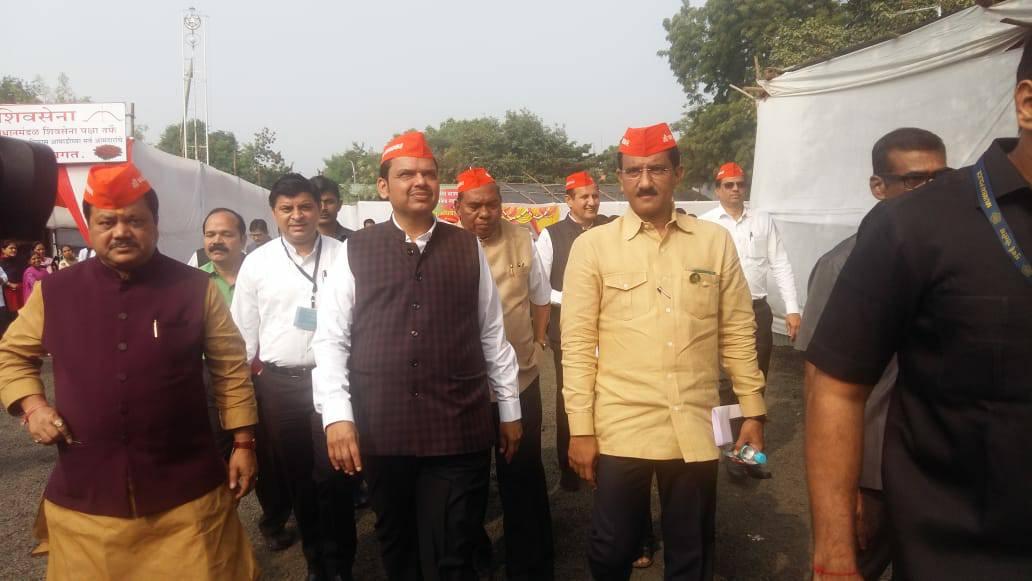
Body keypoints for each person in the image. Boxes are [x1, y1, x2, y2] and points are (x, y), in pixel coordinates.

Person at [805, 41, 1032, 580]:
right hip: (960, 554)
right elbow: (834, 384)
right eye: (911, 178)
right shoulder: (914, 227)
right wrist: (834, 556)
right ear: (1027, 103)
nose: (924, 184)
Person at [0, 162, 259, 580]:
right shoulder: (54, 292)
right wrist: (33, 406)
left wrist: (244, 442)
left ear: (155, 224)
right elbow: (11, 354)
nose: (121, 231)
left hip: (187, 496)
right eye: (107, 222)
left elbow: (230, 369)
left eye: (135, 221)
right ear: (89, 227)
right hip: (87, 502)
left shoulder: (195, 288)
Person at [312, 131, 523, 580]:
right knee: (398, 542)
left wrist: (509, 408)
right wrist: (337, 416)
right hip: (382, 426)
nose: (419, 181)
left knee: (453, 547)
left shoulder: (467, 247)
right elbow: (331, 339)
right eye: (406, 174)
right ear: (383, 186)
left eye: (428, 173)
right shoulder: (356, 251)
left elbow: (491, 332)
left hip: (457, 424)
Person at [563, 123, 766, 580]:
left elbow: (737, 330)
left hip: (693, 422)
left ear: (678, 173)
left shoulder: (713, 242)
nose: (645, 182)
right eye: (633, 172)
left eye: (656, 169)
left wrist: (753, 411)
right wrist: (580, 429)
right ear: (620, 178)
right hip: (620, 425)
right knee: (610, 549)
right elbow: (576, 346)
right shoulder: (593, 247)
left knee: (692, 553)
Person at [796, 128, 947, 581]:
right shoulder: (842, 266)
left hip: (937, 469)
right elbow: (818, 385)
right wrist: (844, 492)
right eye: (916, 181)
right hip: (872, 474)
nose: (932, 193)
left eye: (942, 179)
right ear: (878, 187)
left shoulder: (957, 260)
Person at [231, 173, 356, 580]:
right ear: (274, 213)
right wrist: (239, 396)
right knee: (298, 478)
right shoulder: (258, 263)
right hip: (280, 386)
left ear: (320, 209)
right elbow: (243, 336)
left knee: (335, 477)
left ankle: (341, 564)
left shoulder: (345, 255)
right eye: (287, 209)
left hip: (334, 382)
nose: (297, 215)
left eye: (305, 206)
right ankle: (316, 562)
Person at [456, 166, 554, 580]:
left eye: (492, 205)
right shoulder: (447, 245)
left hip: (520, 378)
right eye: (474, 206)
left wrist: (539, 342)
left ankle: (530, 562)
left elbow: (541, 298)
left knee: (523, 472)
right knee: (467, 478)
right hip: (467, 387)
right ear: (458, 208)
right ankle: (473, 551)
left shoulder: (522, 240)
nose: (484, 214)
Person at [534, 170, 610, 492]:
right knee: (571, 396)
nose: (591, 202)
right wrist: (578, 298)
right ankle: (569, 468)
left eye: (595, 196)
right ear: (569, 200)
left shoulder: (610, 228)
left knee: (607, 395)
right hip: (568, 328)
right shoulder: (551, 235)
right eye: (584, 197)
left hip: (609, 328)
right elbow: (540, 286)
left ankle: (607, 462)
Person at [700, 162, 801, 379]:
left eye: (740, 184)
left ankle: (753, 403)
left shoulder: (762, 220)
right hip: (719, 309)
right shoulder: (705, 224)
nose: (735, 189)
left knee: (757, 373)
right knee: (721, 376)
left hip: (757, 310)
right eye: (729, 185)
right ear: (718, 190)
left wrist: (792, 309)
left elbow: (781, 264)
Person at [312, 175, 355, 241]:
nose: (323, 208)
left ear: (339, 205)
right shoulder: (299, 242)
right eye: (318, 202)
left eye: (329, 202)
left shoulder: (356, 240)